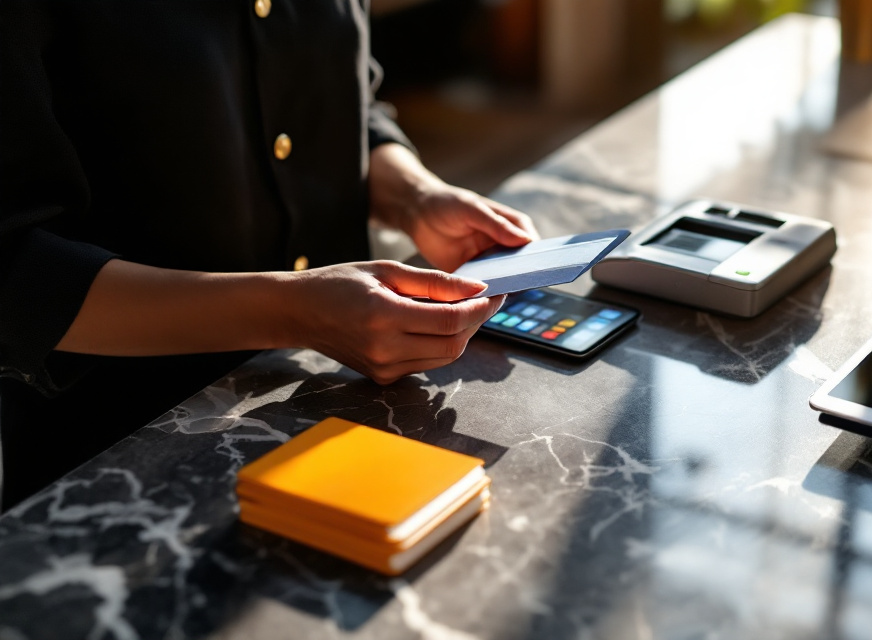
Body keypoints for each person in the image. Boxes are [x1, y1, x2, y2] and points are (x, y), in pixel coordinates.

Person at [0, 1, 537, 509]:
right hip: (124, 464)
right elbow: (15, 270)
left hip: (342, 401)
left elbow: (344, 93)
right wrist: (291, 312)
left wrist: (414, 196)